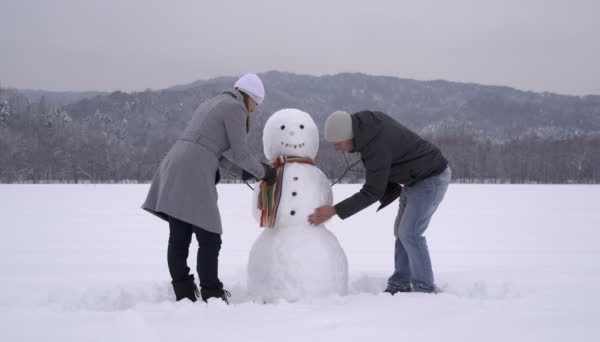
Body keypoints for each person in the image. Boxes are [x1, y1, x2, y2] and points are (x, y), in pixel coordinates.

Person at [142, 74, 277, 303]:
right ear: (250, 97)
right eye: (256, 104)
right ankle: (212, 293)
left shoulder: (211, 103)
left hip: (175, 163)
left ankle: (183, 292)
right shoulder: (236, 108)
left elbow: (213, 150)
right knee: (210, 237)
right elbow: (241, 153)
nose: (254, 110)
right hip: (194, 171)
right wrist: (265, 173)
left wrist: (244, 172)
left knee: (179, 235)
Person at [308, 110, 450, 293]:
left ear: (349, 135)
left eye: (338, 144)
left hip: (431, 178)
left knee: (410, 233)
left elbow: (373, 191)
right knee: (401, 231)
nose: (337, 148)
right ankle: (401, 281)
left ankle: (425, 287)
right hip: (414, 178)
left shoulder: (376, 145)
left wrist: (334, 210)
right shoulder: (368, 131)